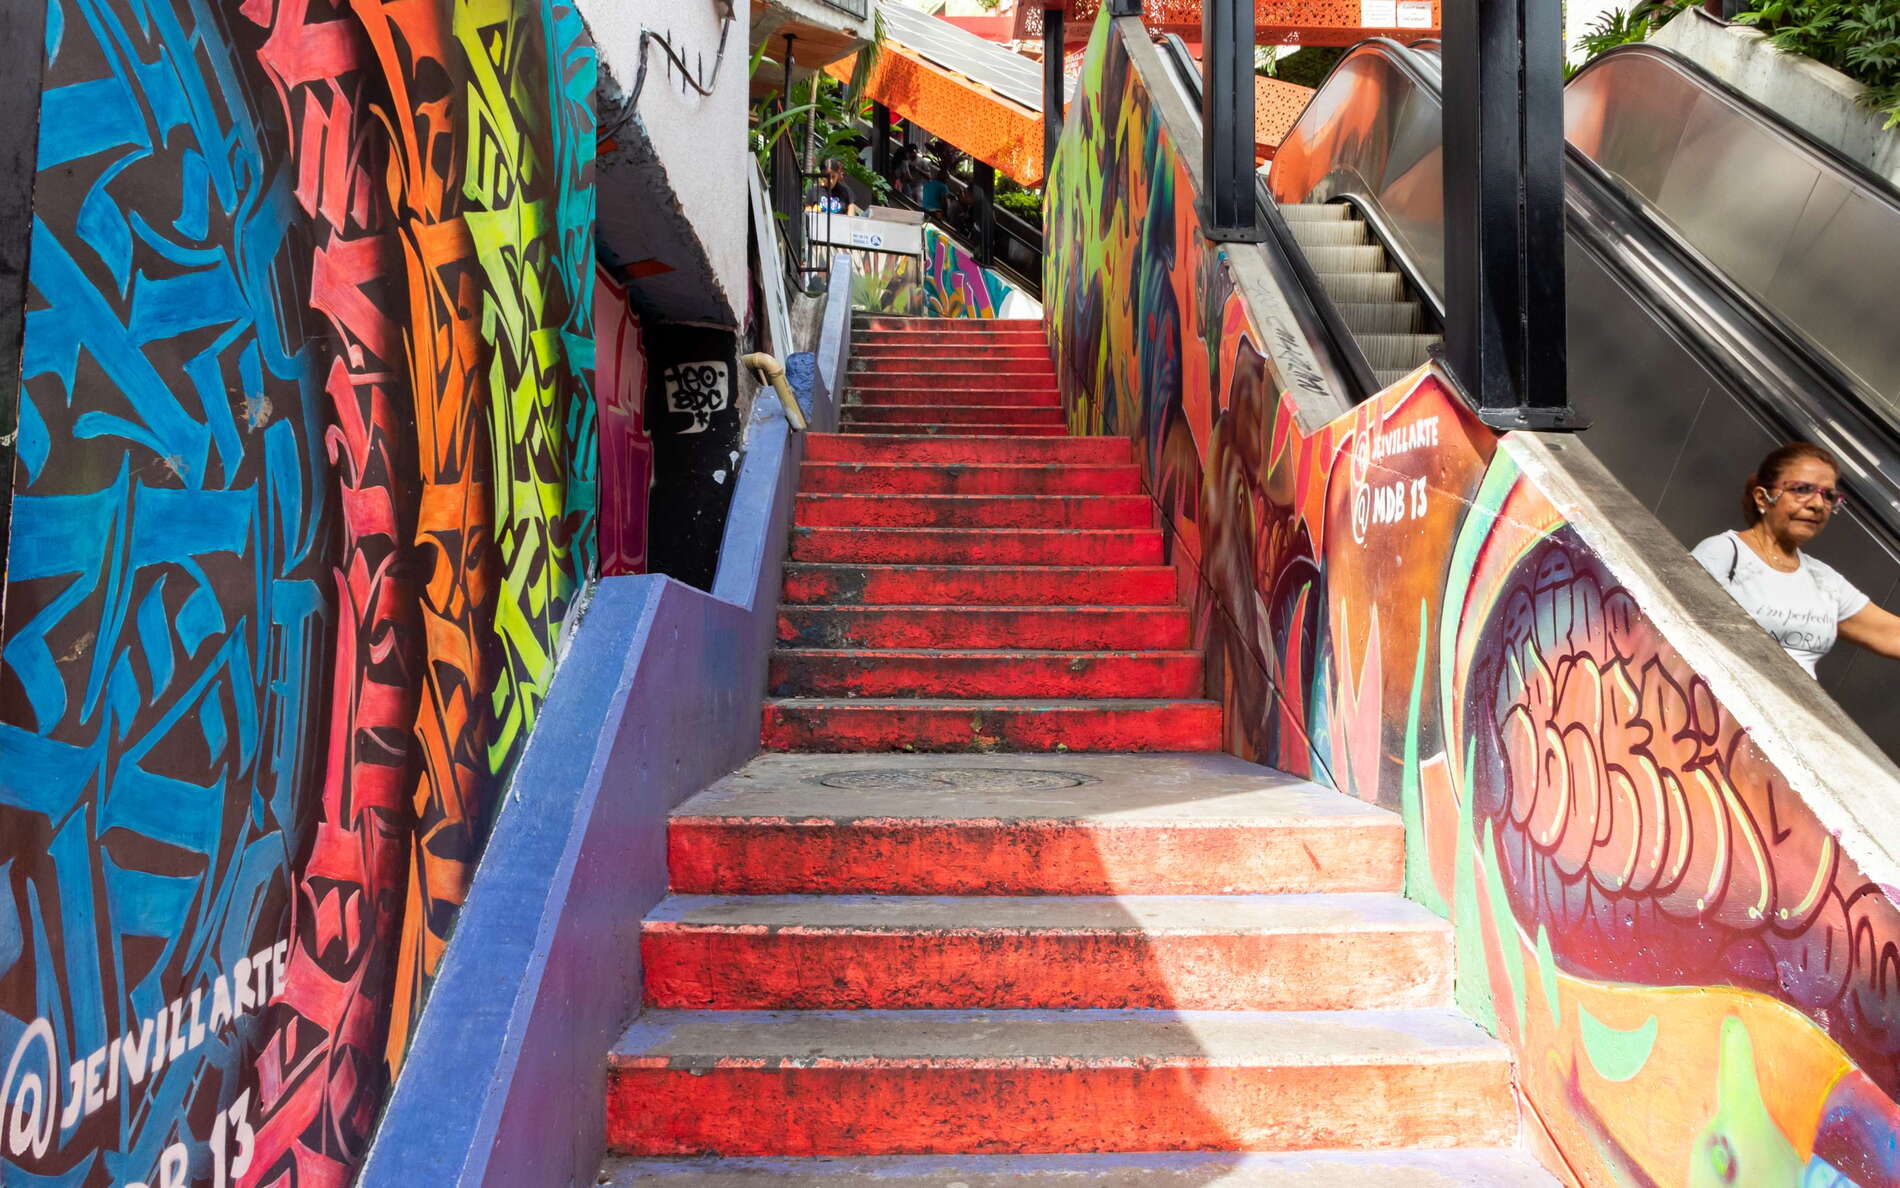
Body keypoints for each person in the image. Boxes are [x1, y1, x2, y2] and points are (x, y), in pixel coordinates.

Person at [1691, 442, 1900, 675]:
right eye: (1802, 489)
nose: (1818, 504)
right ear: (1762, 498)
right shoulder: (1724, 553)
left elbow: (1892, 634)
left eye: (1829, 495)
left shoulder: (1824, 580)